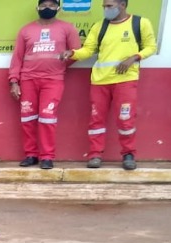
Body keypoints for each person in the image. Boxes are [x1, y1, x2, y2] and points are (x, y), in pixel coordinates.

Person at [61, 0, 157, 170]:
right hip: (100, 81)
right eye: (104, 6)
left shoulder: (140, 23)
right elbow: (88, 50)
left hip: (125, 80)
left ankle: (128, 154)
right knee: (96, 120)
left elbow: (151, 47)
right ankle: (95, 155)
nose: (105, 9)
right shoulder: (100, 26)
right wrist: (72, 53)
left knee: (125, 120)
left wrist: (134, 57)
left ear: (122, 5)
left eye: (109, 6)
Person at [9, 0, 80, 170]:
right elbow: (17, 57)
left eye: (52, 5)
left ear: (58, 8)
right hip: (28, 79)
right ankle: (31, 155)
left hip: (53, 80)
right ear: (37, 8)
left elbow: (76, 52)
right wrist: (14, 81)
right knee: (27, 118)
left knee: (47, 117)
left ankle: (47, 157)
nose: (47, 8)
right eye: (43, 5)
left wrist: (60, 66)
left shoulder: (67, 28)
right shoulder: (26, 30)